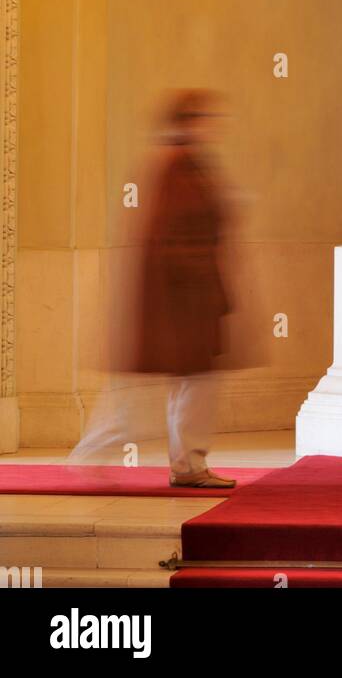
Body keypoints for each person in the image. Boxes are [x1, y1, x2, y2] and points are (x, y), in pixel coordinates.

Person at [68, 89, 236, 488]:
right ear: (187, 121)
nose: (211, 126)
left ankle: (183, 465)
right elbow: (174, 236)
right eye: (203, 118)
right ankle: (174, 465)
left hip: (184, 298)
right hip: (181, 300)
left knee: (182, 385)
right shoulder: (176, 167)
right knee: (177, 386)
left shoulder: (182, 164)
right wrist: (201, 288)